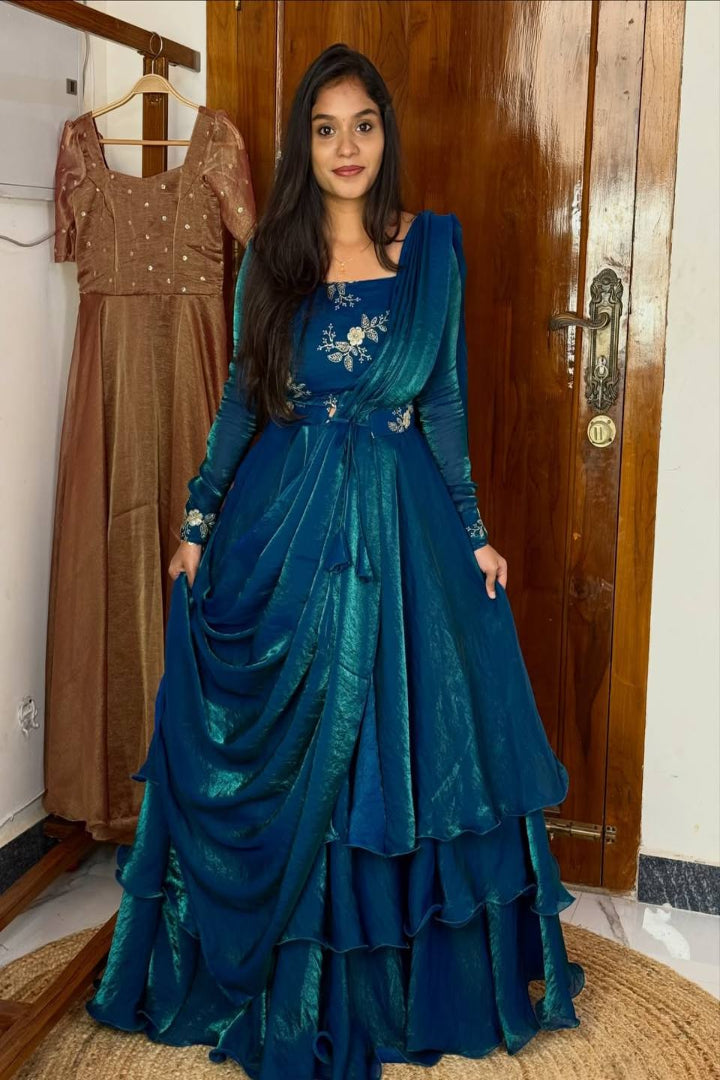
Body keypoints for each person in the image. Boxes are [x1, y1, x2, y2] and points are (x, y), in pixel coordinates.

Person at [85, 42, 585, 1080]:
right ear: (304, 148)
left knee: (404, 742)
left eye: (363, 125)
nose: (346, 146)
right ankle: (281, 966)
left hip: (403, 532)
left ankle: (395, 979)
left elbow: (440, 406)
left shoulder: (432, 252)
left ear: (385, 137)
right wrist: (197, 519)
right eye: (325, 128)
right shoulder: (273, 256)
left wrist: (475, 527)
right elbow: (239, 403)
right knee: (295, 740)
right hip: (288, 521)